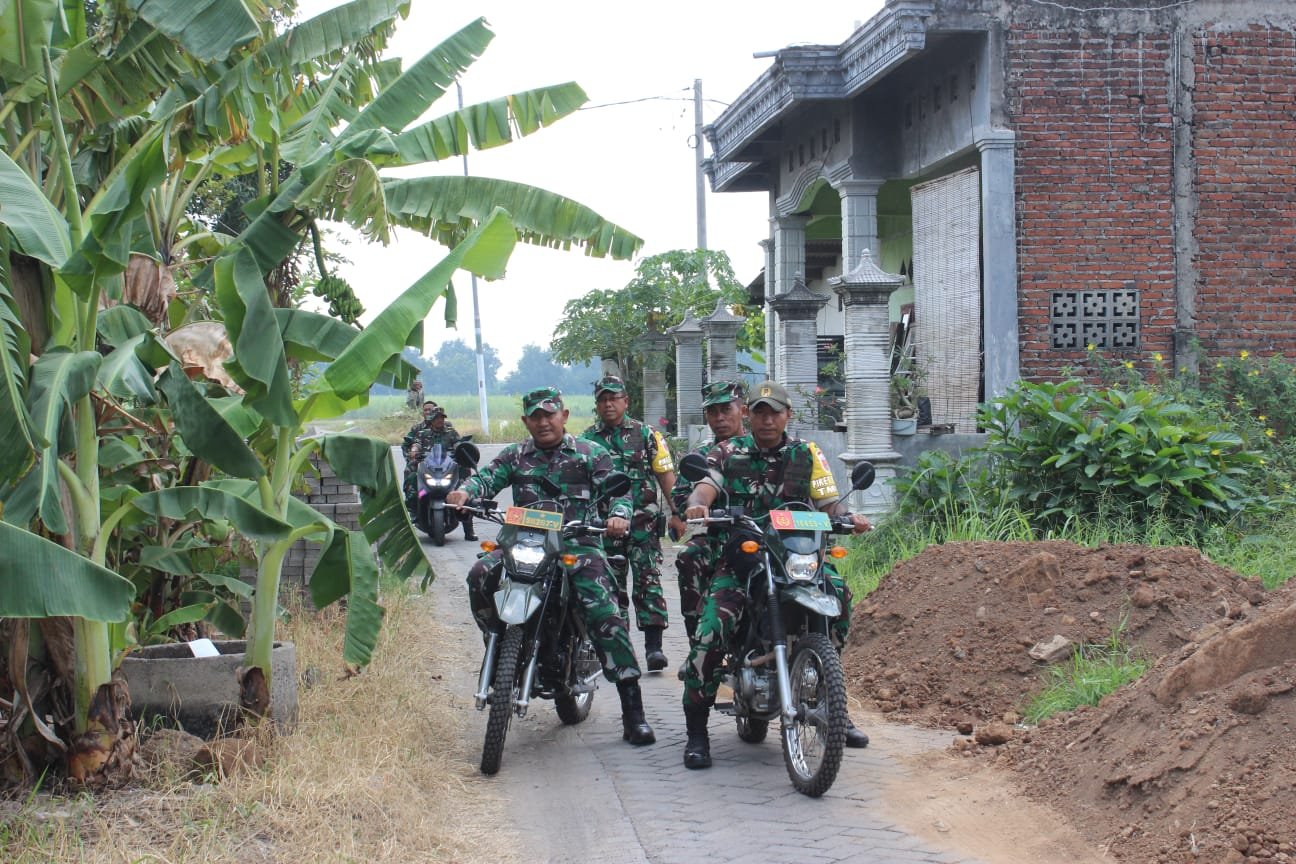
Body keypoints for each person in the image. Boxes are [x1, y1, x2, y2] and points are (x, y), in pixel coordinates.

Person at [678, 380, 872, 769]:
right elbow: (704, 488)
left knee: (839, 593)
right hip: (744, 558)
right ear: (748, 416)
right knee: (711, 630)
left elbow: (828, 503)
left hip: (796, 556)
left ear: (788, 416)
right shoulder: (727, 452)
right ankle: (697, 733)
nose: (768, 420)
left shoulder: (807, 453)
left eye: (775, 413)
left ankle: (832, 704)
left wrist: (849, 517)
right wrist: (698, 506)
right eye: (760, 413)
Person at [445, 386, 655, 746]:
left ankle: (633, 711)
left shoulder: (590, 453)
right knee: (479, 574)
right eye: (535, 416)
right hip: (523, 541)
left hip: (576, 543)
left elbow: (619, 492)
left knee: (603, 608)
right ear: (526, 421)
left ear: (564, 416)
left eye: (549, 415)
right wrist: (465, 492)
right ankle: (498, 640)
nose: (543, 422)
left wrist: (619, 516)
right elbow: (486, 479)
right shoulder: (515, 455)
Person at [580, 375, 677, 672]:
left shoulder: (647, 434)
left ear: (626, 401)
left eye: (614, 398)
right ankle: (621, 651)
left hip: (643, 525)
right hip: (604, 526)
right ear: (597, 404)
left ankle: (654, 649)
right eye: (603, 399)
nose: (608, 404)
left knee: (649, 583)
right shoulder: (586, 440)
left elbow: (665, 475)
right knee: (612, 587)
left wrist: (678, 513)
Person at [667, 379, 748, 670]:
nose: (720, 417)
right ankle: (698, 651)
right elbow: (680, 495)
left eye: (726, 409)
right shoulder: (701, 454)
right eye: (713, 412)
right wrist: (694, 507)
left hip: (765, 537)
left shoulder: (766, 447)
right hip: (717, 537)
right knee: (690, 556)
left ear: (743, 410)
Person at [403, 402, 474, 540]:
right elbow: (417, 444)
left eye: (442, 417)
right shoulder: (423, 433)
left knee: (465, 487)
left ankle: (469, 529)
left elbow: (458, 444)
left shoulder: (451, 432)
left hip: (447, 467)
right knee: (412, 477)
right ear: (431, 420)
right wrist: (414, 451)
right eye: (437, 418)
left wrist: (462, 450)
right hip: (428, 467)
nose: (440, 420)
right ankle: (413, 510)